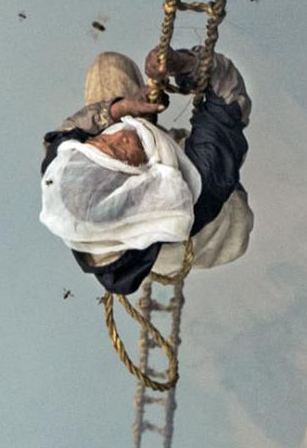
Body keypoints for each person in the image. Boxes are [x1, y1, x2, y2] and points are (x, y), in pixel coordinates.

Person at [38, 45, 255, 297]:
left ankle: (136, 136)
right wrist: (185, 64)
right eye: (120, 149)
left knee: (108, 65)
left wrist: (118, 109)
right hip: (215, 217)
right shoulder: (198, 184)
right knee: (232, 226)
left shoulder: (64, 172)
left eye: (99, 142)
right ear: (136, 184)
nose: (119, 132)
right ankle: (215, 214)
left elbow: (64, 136)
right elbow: (229, 97)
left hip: (144, 176)